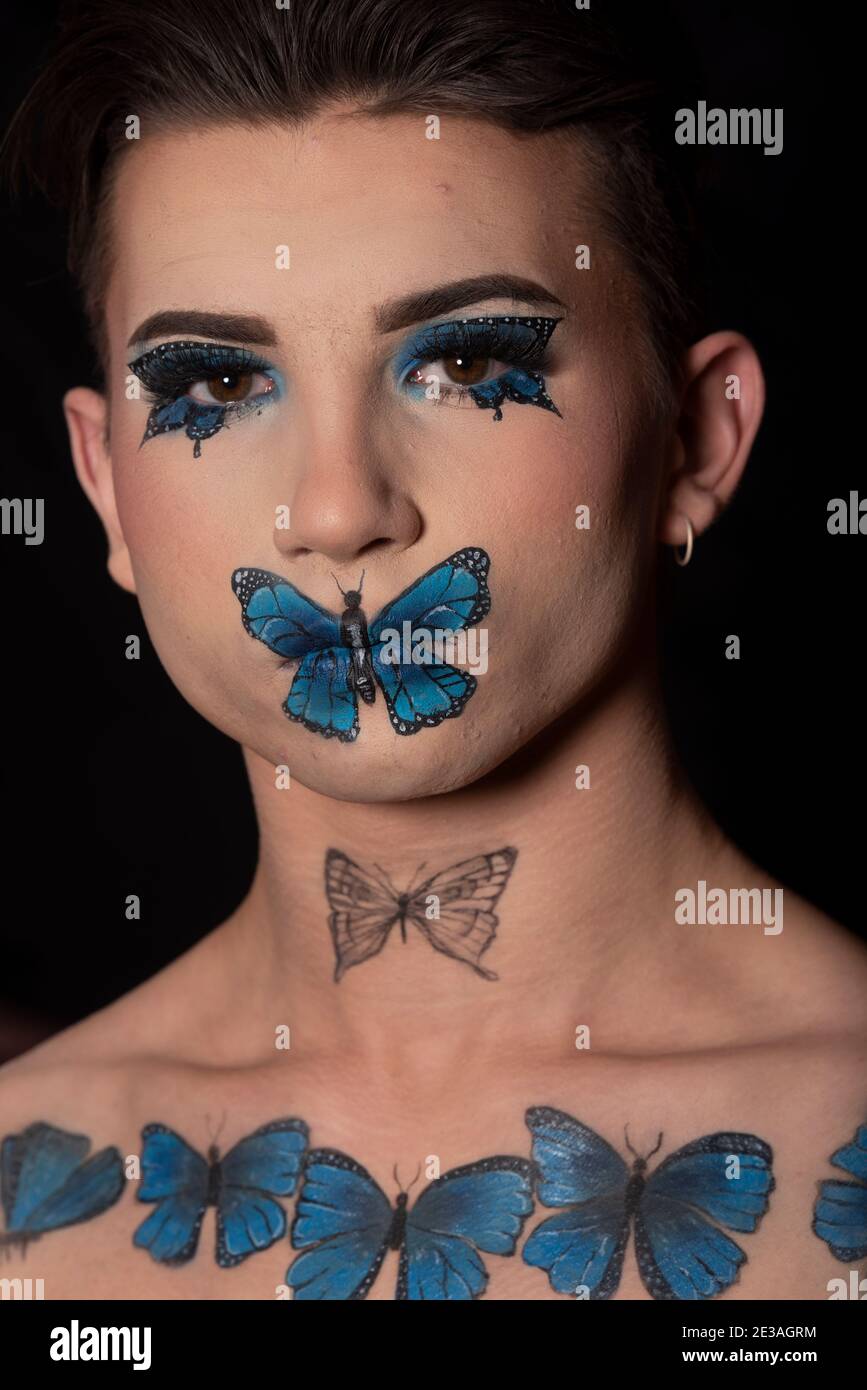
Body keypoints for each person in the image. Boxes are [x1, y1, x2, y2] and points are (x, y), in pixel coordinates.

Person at [1, 0, 863, 1303]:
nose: (341, 507)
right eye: (219, 386)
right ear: (105, 484)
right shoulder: (31, 1161)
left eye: (463, 361)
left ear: (698, 437)